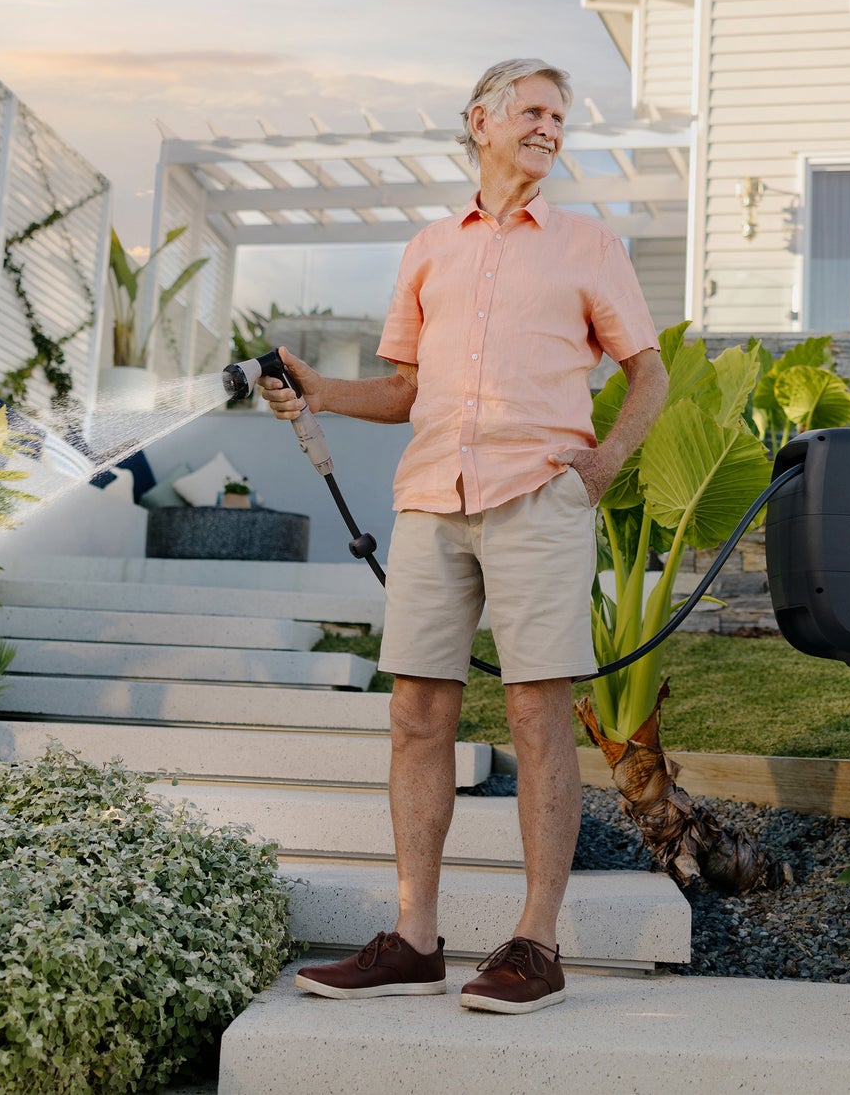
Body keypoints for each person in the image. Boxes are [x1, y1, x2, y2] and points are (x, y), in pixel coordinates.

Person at [260, 58, 667, 1014]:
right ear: (478, 121)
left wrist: (600, 465)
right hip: (431, 500)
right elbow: (402, 389)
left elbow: (646, 372)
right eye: (531, 111)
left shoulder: (587, 245)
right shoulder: (428, 249)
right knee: (415, 712)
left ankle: (536, 941)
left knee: (535, 710)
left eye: (558, 116)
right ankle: (412, 936)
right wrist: (318, 390)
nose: (549, 128)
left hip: (537, 497)